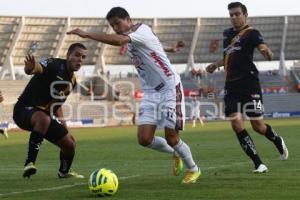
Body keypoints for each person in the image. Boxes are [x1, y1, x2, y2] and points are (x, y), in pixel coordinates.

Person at [68, 7, 201, 184]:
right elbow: (155, 45)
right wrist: (172, 48)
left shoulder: (140, 30)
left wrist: (87, 34)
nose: (115, 27)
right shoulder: (134, 38)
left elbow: (120, 41)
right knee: (144, 139)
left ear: (128, 19)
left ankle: (193, 169)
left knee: (172, 136)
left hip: (169, 86)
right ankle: (175, 152)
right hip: (151, 92)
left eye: (117, 23)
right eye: (112, 25)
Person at [206, 2, 288, 173]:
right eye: (231, 15)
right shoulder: (227, 34)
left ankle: (277, 140)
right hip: (231, 86)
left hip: (250, 85)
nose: (234, 17)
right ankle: (258, 163)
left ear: (245, 15)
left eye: (237, 14)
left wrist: (267, 52)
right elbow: (228, 56)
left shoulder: (252, 33)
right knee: (236, 123)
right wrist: (215, 64)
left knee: (258, 126)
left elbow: (263, 47)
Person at [13, 43, 87, 178]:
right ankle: (30, 163)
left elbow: (56, 106)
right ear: (68, 55)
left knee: (69, 145)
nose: (80, 59)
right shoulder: (54, 64)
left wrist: (66, 129)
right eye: (77, 55)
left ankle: (63, 172)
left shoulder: (72, 81)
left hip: (43, 118)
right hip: (23, 110)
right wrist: (29, 69)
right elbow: (37, 68)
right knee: (44, 118)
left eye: (83, 57)